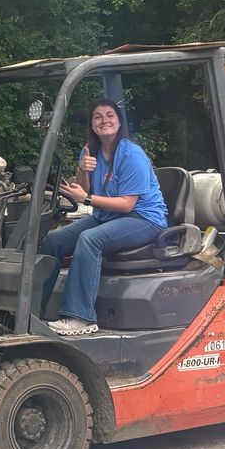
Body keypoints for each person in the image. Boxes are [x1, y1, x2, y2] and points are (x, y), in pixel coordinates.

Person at [38, 100, 168, 337]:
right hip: (108, 216)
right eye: (97, 116)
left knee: (89, 239)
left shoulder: (131, 154)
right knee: (54, 240)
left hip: (145, 219)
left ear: (119, 122)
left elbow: (127, 205)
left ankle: (81, 317)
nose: (104, 120)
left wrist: (86, 198)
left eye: (110, 116)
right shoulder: (90, 151)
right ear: (91, 123)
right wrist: (82, 170)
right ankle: (33, 311)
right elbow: (86, 189)